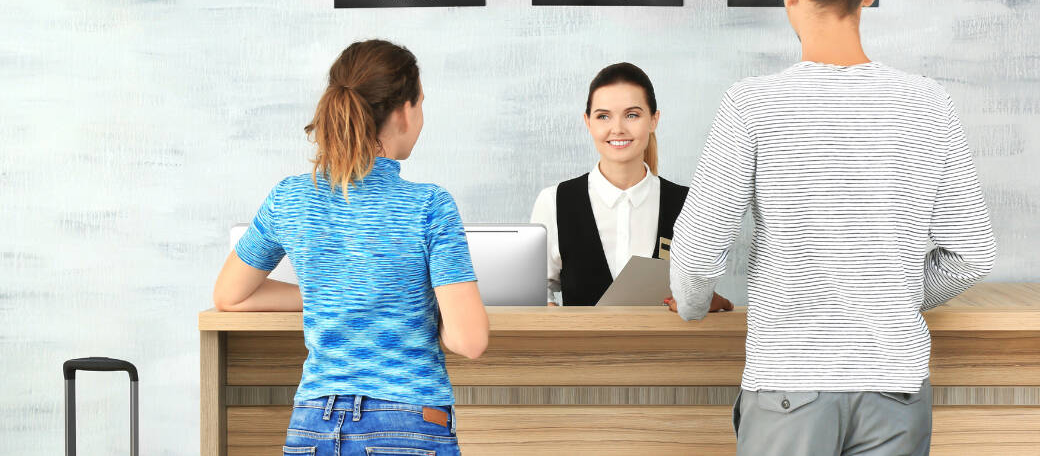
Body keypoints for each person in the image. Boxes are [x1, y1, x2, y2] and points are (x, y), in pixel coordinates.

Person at [667, 0, 997, 455]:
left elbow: (698, 255)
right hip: (894, 382)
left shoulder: (755, 105)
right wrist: (894, 297)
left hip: (791, 383)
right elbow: (973, 256)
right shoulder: (926, 105)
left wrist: (694, 306)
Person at [212, 39, 488, 456]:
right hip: (409, 424)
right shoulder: (429, 205)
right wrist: (416, 301)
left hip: (312, 425)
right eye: (421, 104)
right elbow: (471, 341)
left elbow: (230, 296)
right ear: (403, 112)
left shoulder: (289, 198)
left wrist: (334, 295)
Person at [531, 62, 732, 310]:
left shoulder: (688, 205)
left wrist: (702, 302)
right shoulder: (554, 202)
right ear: (588, 122)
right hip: (580, 349)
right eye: (603, 116)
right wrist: (547, 311)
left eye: (632, 115)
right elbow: (536, 290)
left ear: (653, 120)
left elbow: (699, 291)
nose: (617, 129)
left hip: (666, 349)